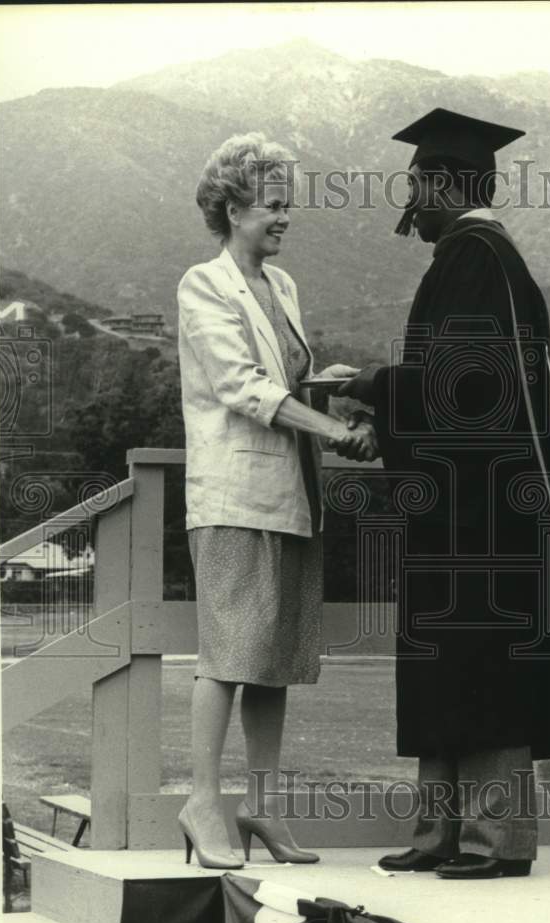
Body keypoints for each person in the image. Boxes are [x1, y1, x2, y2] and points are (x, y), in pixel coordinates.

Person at [339, 108, 550, 879]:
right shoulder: (472, 257)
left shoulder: (478, 259)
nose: (409, 195)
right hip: (462, 502)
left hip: (490, 512)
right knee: (451, 659)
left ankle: (494, 840)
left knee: (485, 664)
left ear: (443, 182)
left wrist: (371, 387)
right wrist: (388, 410)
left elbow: (468, 384)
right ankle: (439, 834)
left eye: (416, 180)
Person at [177, 133, 377, 869]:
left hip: (292, 494)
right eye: (271, 206)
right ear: (232, 209)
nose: (284, 218)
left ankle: (261, 808)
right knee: (229, 653)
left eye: (288, 205)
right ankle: (202, 801)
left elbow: (287, 376)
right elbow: (241, 386)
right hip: (233, 496)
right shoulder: (203, 285)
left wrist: (335, 389)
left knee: (275, 656)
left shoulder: (282, 287)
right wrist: (329, 426)